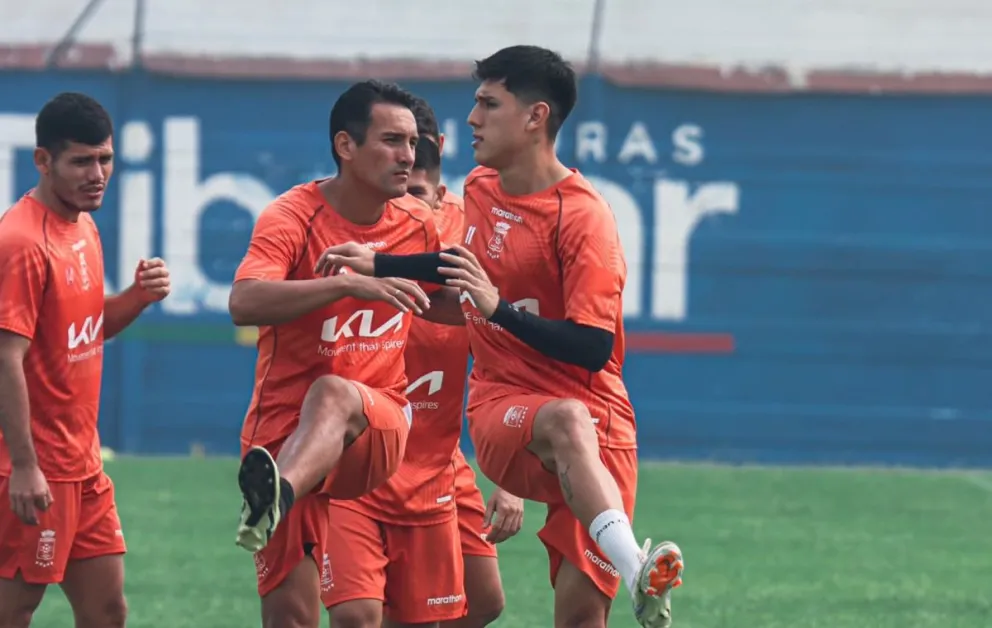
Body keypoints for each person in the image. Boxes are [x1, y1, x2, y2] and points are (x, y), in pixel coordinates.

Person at [315, 46, 685, 628]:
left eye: (489, 103)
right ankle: (638, 562)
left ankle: (633, 576)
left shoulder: (584, 218)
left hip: (599, 427)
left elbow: (592, 347)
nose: (472, 118)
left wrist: (498, 310)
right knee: (564, 418)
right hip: (503, 411)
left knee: (584, 617)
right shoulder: (483, 186)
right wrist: (380, 263)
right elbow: (456, 268)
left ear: (535, 117)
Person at [229, 79, 463, 628]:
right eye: (391, 141)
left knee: (333, 391)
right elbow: (244, 301)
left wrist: (497, 310)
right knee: (290, 618)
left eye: (411, 142)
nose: (407, 156)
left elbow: (448, 304)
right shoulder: (291, 217)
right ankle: (277, 497)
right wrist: (344, 285)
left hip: (375, 427)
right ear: (345, 146)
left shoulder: (417, 223)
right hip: (281, 439)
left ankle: (276, 499)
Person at [322, 106, 516, 628]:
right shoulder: (353, 244)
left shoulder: (457, 247)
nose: (413, 207)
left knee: (484, 603)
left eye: (414, 146)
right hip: (364, 463)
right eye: (393, 142)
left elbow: (501, 354)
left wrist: (510, 475)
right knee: (358, 615)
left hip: (435, 463)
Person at [0, 92, 172, 627]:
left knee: (106, 609)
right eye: (81, 161)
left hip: (85, 467)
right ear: (43, 161)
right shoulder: (21, 242)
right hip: (35, 468)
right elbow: (5, 358)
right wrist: (24, 466)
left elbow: (84, 329)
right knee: (13, 609)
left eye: (105, 159)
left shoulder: (83, 227)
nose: (97, 174)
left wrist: (135, 299)